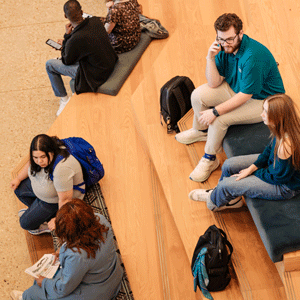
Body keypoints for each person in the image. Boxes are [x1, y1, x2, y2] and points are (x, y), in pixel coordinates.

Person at [175, 13, 285, 182]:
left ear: (240, 33)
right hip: (239, 88)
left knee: (219, 119)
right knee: (197, 95)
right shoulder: (225, 47)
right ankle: (201, 131)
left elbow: (245, 96)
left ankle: (210, 159)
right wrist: (210, 58)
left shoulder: (252, 56)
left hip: (263, 100)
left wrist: (215, 112)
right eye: (220, 39)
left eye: (229, 39)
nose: (225, 44)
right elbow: (214, 82)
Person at [188, 94, 300, 211]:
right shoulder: (286, 126)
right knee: (229, 165)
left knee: (226, 185)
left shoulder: (285, 145)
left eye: (266, 112)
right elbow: (268, 150)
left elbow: (278, 178)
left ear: (278, 117)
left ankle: (213, 201)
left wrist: (254, 173)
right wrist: (251, 168)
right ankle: (228, 198)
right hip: (276, 168)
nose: (262, 115)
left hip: (284, 186)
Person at [11, 199, 124, 300]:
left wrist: (44, 282)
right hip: (111, 276)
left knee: (35, 292)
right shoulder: (101, 219)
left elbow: (63, 288)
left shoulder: (77, 256)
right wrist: (62, 251)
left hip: (96, 293)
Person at [46, 0, 118, 116]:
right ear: (82, 11)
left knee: (50, 65)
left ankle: (64, 99)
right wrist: (68, 43)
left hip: (96, 74)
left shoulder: (75, 39)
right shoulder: (95, 20)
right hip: (109, 61)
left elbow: (67, 60)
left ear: (65, 16)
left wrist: (67, 37)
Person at [10, 134, 84, 234]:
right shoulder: (47, 150)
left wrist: (58, 219)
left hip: (55, 199)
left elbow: (65, 199)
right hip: (46, 191)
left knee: (25, 223)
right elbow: (30, 163)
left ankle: (47, 220)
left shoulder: (62, 169)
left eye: (43, 157)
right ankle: (40, 214)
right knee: (19, 189)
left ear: (51, 152)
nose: (39, 161)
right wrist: (18, 178)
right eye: (35, 157)